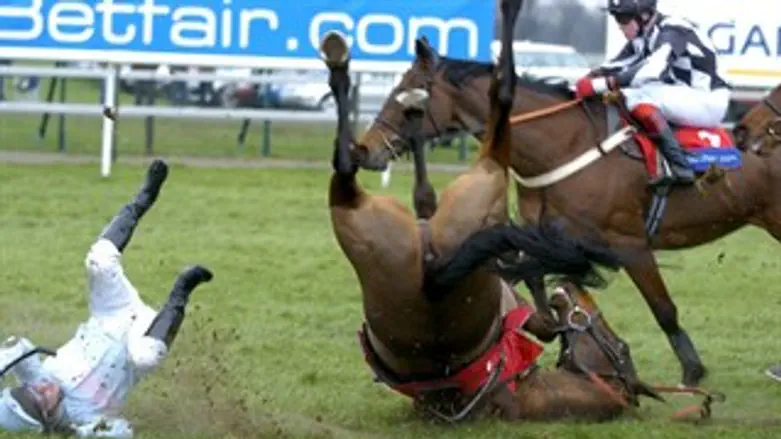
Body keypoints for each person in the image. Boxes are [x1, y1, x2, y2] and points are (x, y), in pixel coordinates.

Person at [0, 160, 213, 437]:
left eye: (28, 390)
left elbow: (19, 347)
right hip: (139, 340)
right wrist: (82, 433)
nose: (39, 389)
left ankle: (144, 196)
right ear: (46, 418)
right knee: (145, 358)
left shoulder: (38, 377)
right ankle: (182, 289)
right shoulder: (82, 418)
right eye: (37, 400)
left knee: (98, 262)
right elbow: (124, 431)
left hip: (109, 315)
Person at [574, 0, 731, 187]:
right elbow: (615, 65)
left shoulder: (673, 29)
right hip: (685, 95)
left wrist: (602, 85)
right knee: (632, 93)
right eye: (617, 18)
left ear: (645, 16)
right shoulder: (644, 36)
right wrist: (584, 81)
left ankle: (680, 166)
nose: (620, 26)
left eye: (624, 19)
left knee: (635, 96)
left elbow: (653, 69)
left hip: (708, 100)